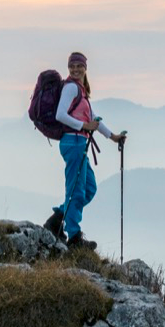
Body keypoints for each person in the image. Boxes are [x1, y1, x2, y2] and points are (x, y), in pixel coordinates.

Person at [44, 51, 125, 251]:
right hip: (73, 143)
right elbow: (60, 115)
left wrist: (113, 137)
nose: (75, 69)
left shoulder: (81, 91)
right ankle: (74, 236)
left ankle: (56, 221)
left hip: (79, 144)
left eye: (79, 66)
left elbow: (94, 118)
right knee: (76, 191)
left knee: (88, 189)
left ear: (85, 68)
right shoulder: (71, 87)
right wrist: (83, 126)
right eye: (72, 66)